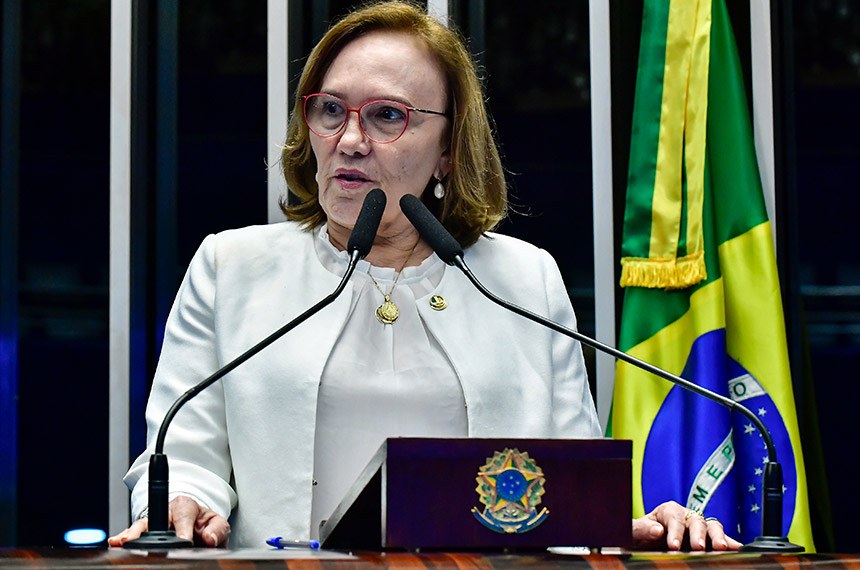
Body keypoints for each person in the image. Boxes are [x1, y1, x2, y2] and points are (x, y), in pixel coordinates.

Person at [108, 0, 742, 552]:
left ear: (448, 148)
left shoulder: (522, 282)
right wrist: (181, 502)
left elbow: (563, 484)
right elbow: (182, 451)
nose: (349, 140)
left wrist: (626, 527)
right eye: (331, 110)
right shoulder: (232, 268)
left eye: (387, 116)